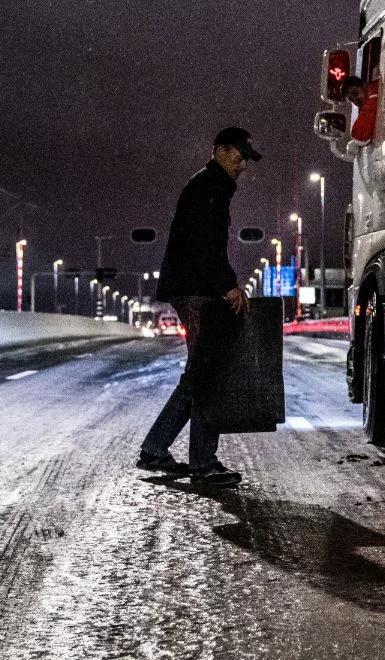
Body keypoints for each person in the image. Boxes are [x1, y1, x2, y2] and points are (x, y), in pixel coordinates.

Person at [136, 126, 260, 486]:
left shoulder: (210, 185)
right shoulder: (208, 187)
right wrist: (228, 286)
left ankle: (156, 449)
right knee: (207, 375)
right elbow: (204, 245)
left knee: (197, 376)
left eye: (245, 162)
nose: (242, 167)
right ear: (219, 151)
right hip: (194, 289)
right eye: (238, 159)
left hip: (191, 286)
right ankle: (202, 464)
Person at [342, 75, 379, 144]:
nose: (356, 100)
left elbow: (360, 136)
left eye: (355, 93)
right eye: (352, 100)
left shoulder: (374, 93)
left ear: (364, 85)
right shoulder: (367, 101)